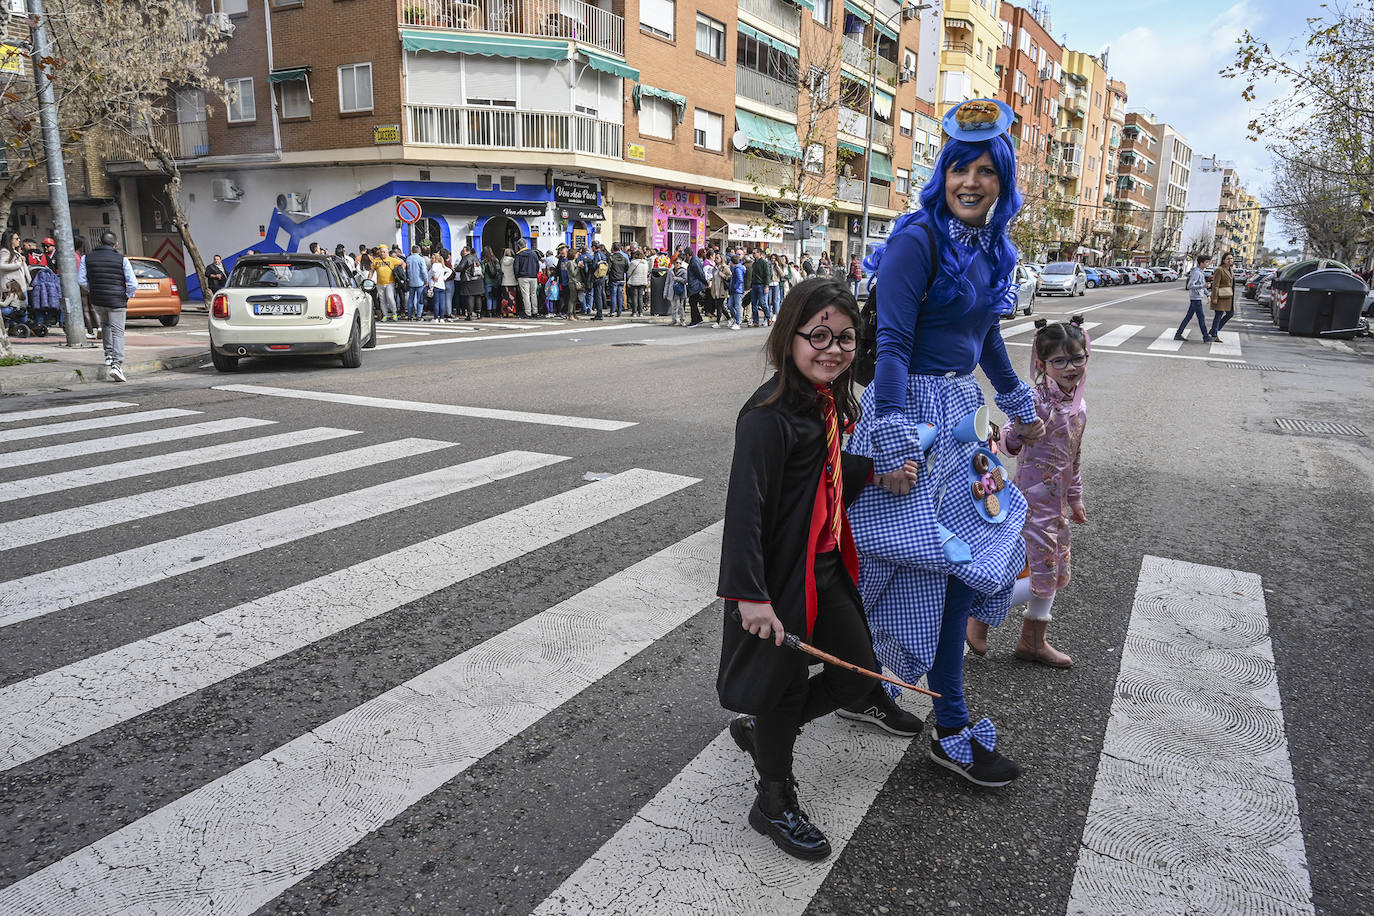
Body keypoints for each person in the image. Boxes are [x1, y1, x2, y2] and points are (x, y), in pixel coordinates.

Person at [841, 98, 1045, 787]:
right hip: (910, 416)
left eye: (986, 170)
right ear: (944, 172)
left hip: (960, 413)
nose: (972, 181)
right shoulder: (915, 239)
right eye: (961, 167)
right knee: (892, 566)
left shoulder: (991, 247)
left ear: (1002, 180)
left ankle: (891, 692)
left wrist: (1020, 402)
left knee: (959, 561)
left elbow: (986, 338)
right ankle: (943, 722)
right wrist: (896, 438)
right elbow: (893, 344)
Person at [718, 277, 893, 861]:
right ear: (788, 336)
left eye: (845, 337)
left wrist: (876, 474)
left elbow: (826, 465)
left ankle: (767, 728)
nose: (833, 349)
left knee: (860, 676)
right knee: (782, 685)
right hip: (779, 579)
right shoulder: (766, 417)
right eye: (818, 334)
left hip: (826, 568)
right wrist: (750, 595)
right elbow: (745, 509)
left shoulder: (828, 403)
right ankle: (773, 798)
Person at [967, 318, 1088, 668]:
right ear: (1042, 364)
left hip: (1058, 508)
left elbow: (1074, 457)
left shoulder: (1079, 407)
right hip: (1031, 505)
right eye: (1060, 361)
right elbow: (1005, 442)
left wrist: (1076, 497)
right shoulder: (1034, 401)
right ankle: (977, 613)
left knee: (1054, 570)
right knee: (1037, 573)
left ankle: (1033, 640)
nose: (1070, 368)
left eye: (1077, 358)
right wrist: (1019, 430)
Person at [77, 230, 138, 382]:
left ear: (100, 243)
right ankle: (117, 365)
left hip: (98, 300)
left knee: (105, 325)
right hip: (117, 299)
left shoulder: (86, 258)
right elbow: (133, 283)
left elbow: (81, 280)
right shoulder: (121, 259)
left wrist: (93, 290)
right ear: (116, 244)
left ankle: (109, 356)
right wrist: (127, 295)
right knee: (118, 332)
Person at [1176, 255, 1212, 341]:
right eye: (1206, 262)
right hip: (1195, 298)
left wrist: (1208, 294)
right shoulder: (1197, 273)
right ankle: (1205, 336)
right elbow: (1190, 285)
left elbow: (1202, 286)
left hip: (1196, 297)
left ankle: (1178, 334)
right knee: (1201, 317)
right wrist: (1203, 286)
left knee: (1188, 317)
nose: (1208, 264)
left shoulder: (1200, 272)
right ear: (1201, 263)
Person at [372, 246, 404, 321]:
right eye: (381, 252)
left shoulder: (391, 259)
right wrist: (368, 280)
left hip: (390, 283)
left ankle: (394, 313)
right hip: (379, 283)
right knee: (382, 300)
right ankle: (385, 315)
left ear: (387, 252)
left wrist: (399, 271)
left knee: (390, 298)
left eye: (384, 252)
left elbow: (402, 262)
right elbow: (372, 271)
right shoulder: (376, 260)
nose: (382, 254)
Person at [1209, 252, 1236, 341]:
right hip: (1221, 296)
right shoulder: (1220, 270)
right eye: (1228, 258)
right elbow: (1215, 285)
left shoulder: (1231, 270)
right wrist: (1214, 297)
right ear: (1223, 260)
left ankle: (1214, 330)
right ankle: (1214, 334)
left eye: (1231, 258)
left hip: (1229, 297)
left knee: (1230, 314)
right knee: (1218, 315)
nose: (1230, 260)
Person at [514, 243, 542, 319]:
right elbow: (537, 265)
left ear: (519, 246)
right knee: (533, 294)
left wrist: (517, 276)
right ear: (525, 244)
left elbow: (516, 267)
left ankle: (528, 312)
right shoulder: (533, 253)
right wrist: (535, 273)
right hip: (533, 276)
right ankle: (535, 312)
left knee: (525, 295)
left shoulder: (519, 255)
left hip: (523, 277)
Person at [748, 247, 772, 327]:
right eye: (753, 253)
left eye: (755, 253)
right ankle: (756, 321)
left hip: (761, 285)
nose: (753, 254)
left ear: (759, 253)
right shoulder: (754, 263)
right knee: (754, 304)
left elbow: (767, 275)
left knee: (762, 303)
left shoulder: (764, 262)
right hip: (754, 285)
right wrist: (751, 285)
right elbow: (753, 275)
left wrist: (766, 286)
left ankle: (768, 317)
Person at [404, 246, 428, 320]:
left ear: (412, 250)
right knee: (419, 299)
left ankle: (409, 315)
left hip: (411, 281)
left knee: (411, 298)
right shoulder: (421, 259)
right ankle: (419, 315)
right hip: (420, 281)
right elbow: (423, 271)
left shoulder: (408, 258)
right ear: (419, 251)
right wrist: (426, 280)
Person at [607, 242, 629, 318]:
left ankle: (612, 311)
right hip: (621, 278)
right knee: (620, 295)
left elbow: (608, 268)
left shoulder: (611, 258)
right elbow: (627, 268)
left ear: (613, 248)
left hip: (613, 278)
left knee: (613, 296)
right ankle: (619, 311)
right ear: (620, 249)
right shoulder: (624, 258)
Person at [627, 247, 649, 317]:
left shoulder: (633, 262)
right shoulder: (645, 262)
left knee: (634, 297)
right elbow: (647, 272)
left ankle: (634, 312)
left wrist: (628, 277)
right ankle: (641, 312)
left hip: (635, 281)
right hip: (643, 281)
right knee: (640, 297)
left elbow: (629, 272)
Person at [500, 247, 518, 316]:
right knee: (512, 297)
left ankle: (505, 312)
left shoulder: (502, 260)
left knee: (505, 297)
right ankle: (511, 311)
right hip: (512, 281)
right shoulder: (513, 260)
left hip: (504, 281)